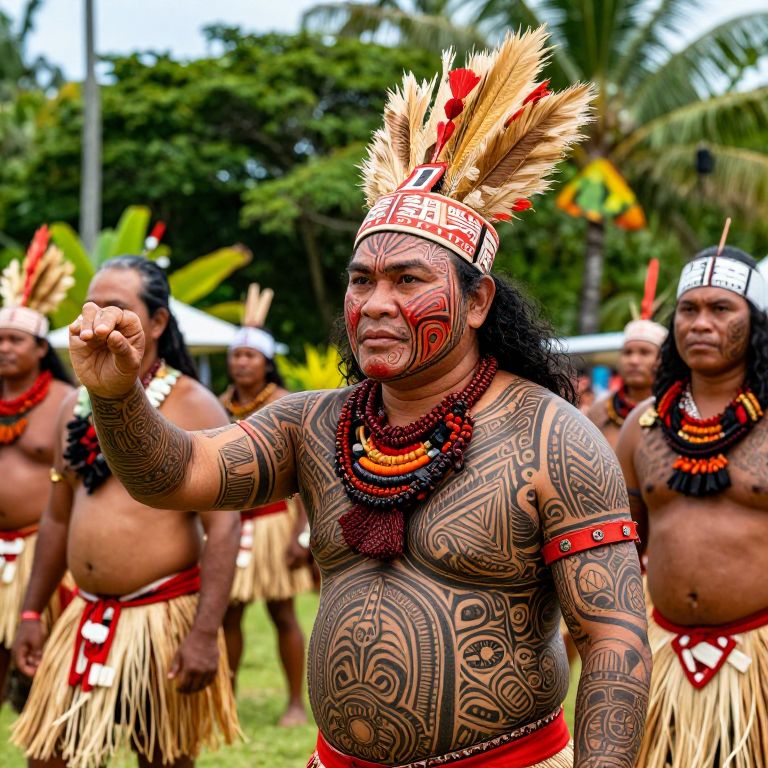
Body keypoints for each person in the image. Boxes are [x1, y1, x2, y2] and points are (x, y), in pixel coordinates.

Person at [67, 30, 651, 768]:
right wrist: (117, 396)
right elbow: (173, 475)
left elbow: (613, 640)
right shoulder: (313, 424)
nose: (375, 303)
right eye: (361, 280)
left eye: (408, 280)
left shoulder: (552, 438)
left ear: (477, 302)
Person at [12, 256, 241, 768]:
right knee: (48, 758)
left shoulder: (193, 404)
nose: (97, 320)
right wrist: (31, 611)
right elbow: (57, 517)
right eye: (90, 307)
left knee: (161, 759)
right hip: (84, 612)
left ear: (156, 322)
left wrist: (206, 634)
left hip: (161, 618)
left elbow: (224, 527)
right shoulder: (77, 404)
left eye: (115, 308)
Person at [617, 242, 768, 766]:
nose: (701, 323)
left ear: (757, 323)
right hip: (663, 662)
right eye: (689, 309)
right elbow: (618, 554)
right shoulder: (642, 428)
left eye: (721, 308)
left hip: (758, 666)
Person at [220, 283, 312, 726]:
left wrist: (302, 534)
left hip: (277, 522)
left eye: (250, 356)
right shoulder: (219, 405)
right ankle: (227, 700)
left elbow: (308, 474)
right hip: (231, 525)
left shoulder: (284, 405)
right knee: (228, 613)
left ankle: (295, 703)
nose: (242, 362)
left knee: (282, 613)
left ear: (267, 362)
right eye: (236, 355)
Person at [0, 227, 75, 708]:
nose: (4, 348)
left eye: (15, 340)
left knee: (46, 669)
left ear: (41, 348)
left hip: (40, 549)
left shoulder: (68, 402)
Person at [587, 260, 667, 449]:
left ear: (662, 359)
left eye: (644, 352)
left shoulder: (676, 411)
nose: (633, 360)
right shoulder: (599, 412)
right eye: (627, 352)